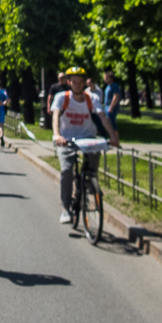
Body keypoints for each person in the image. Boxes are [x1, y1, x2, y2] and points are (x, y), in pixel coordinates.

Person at [51, 66, 118, 224]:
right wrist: (57, 135)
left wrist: (113, 136)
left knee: (92, 165)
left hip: (87, 138)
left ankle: (89, 184)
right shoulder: (62, 97)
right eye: (74, 82)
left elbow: (102, 117)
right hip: (66, 139)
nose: (78, 85)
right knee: (66, 170)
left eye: (81, 82)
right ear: (69, 82)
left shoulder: (92, 98)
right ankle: (66, 208)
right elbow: (55, 116)